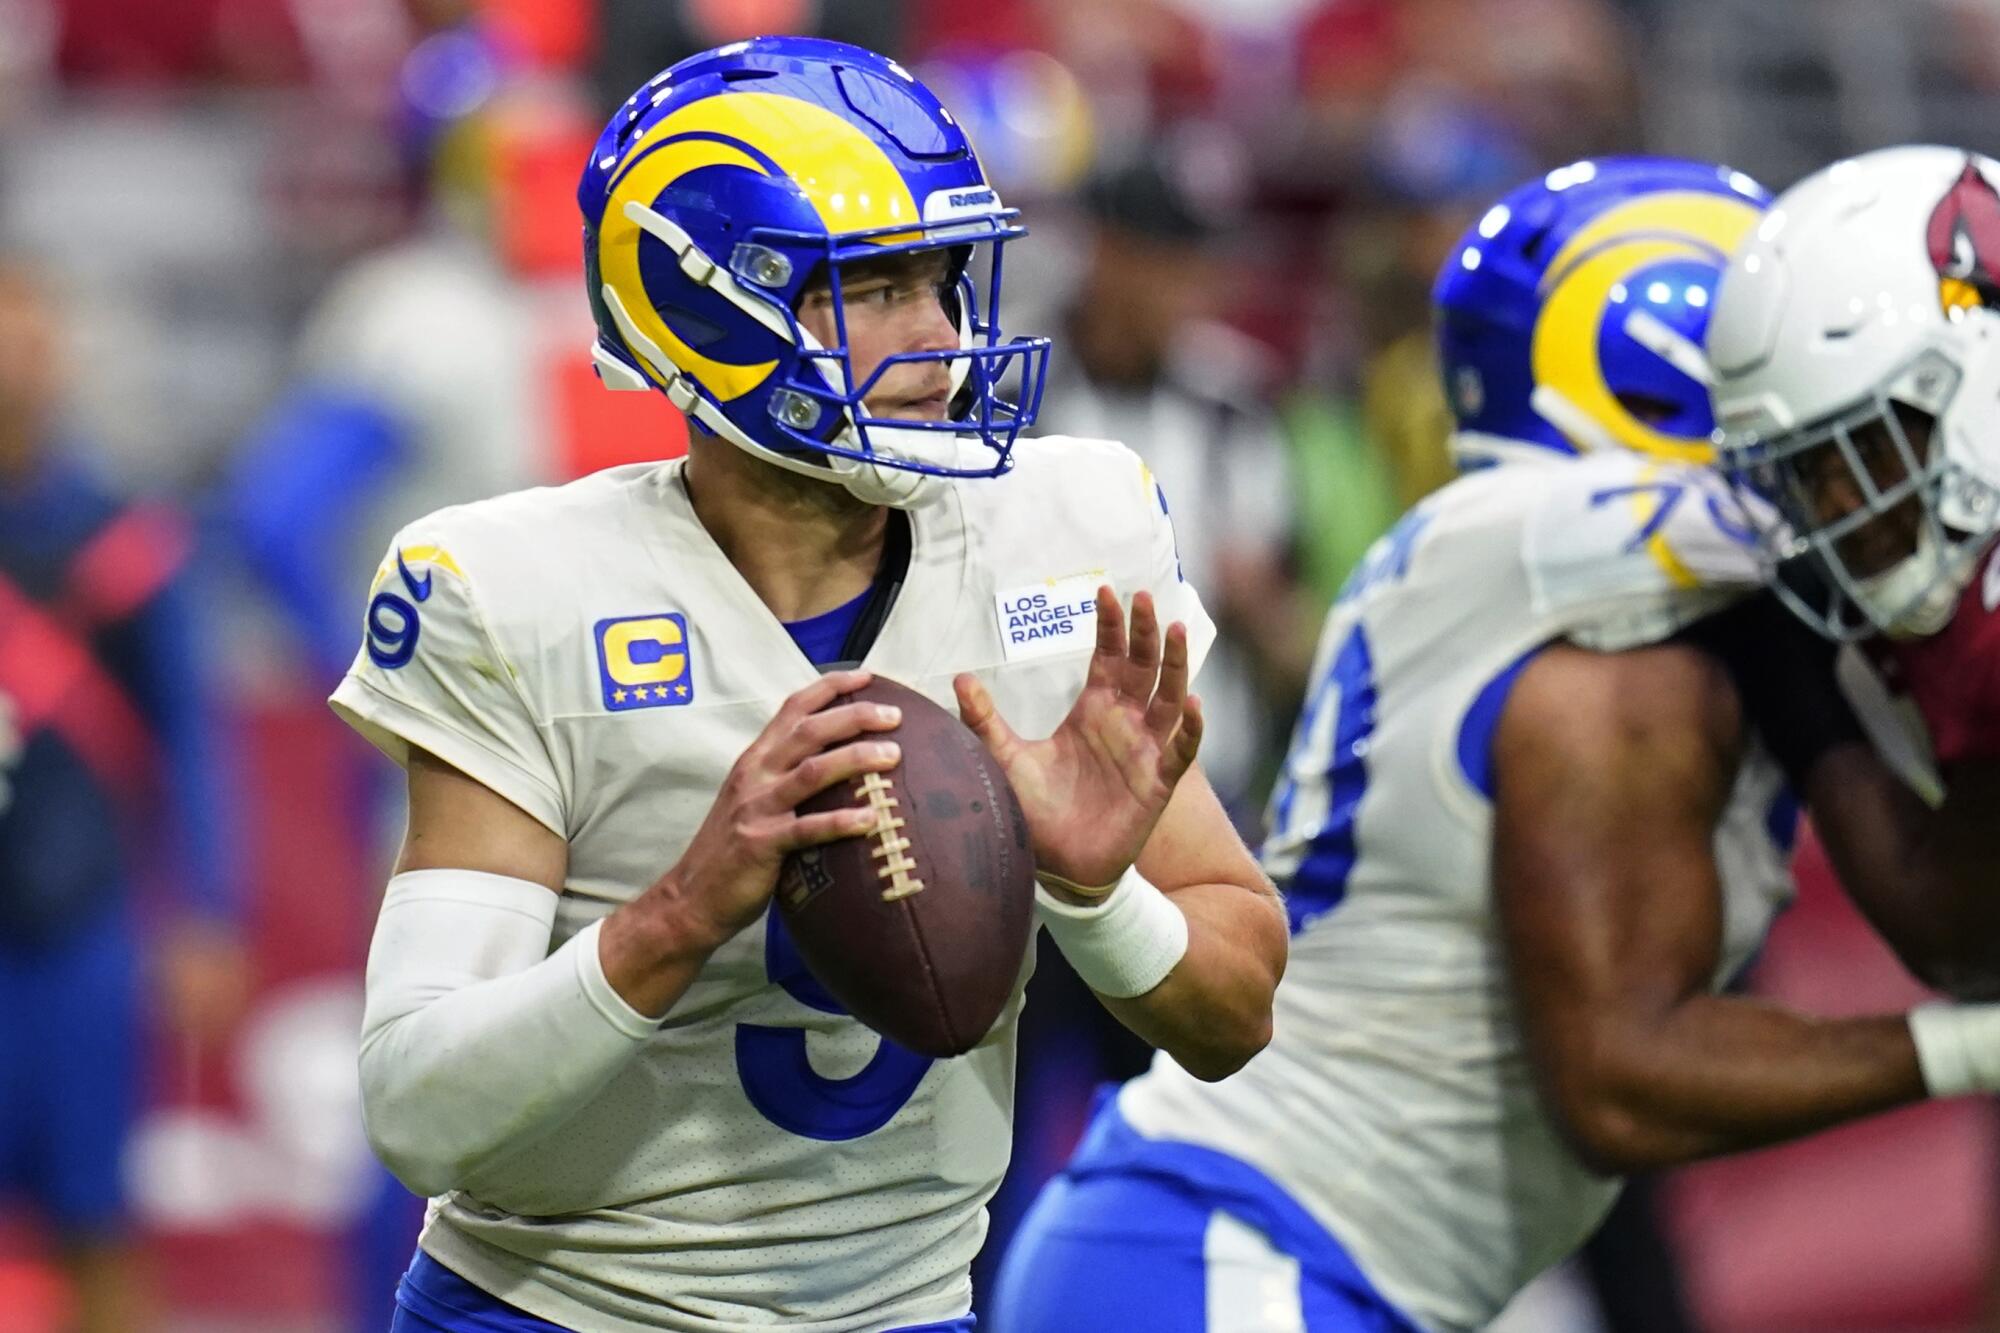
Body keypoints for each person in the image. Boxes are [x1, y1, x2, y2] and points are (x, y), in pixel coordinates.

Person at [327, 36, 1287, 1333]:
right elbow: (419, 1110)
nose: (943, 337)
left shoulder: (1060, 531)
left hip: (905, 1310)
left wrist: (1096, 892)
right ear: (707, 302)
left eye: (945, 280)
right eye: (878, 285)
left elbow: (1239, 1010)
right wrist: (676, 913)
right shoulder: (518, 591)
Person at [993, 155, 2000, 1333]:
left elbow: (1941, 913)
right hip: (1239, 1249)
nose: (1836, 482)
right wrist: (1970, 1048)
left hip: (1288, 1257)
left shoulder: (1671, 611)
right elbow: (1617, 1085)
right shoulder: (1603, 630)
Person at [0, 257, 248, 1332]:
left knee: (96, 1217)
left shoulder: (124, 536)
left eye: (28, 332)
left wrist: (205, 910)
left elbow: (191, 733)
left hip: (79, 923)